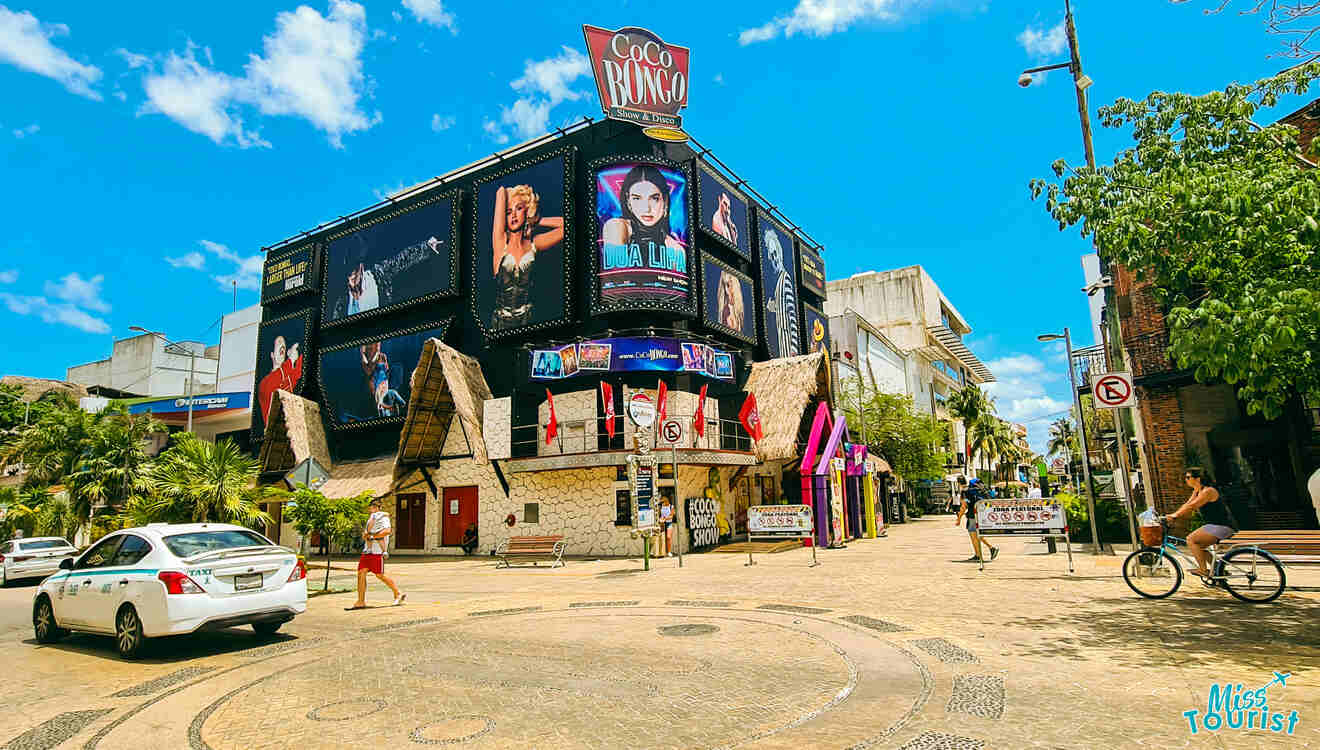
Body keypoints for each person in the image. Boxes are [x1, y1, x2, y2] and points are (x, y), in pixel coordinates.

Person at [491, 184, 564, 330]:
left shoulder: (534, 245)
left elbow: (567, 224)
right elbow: (500, 192)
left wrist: (537, 220)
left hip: (528, 322)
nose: (513, 215)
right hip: (500, 325)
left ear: (527, 211)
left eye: (519, 209)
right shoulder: (500, 243)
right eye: (508, 211)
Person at [1163, 467, 1236, 583]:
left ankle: (1203, 570)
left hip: (1223, 526)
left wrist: (1175, 516)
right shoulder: (1198, 490)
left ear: (1198, 478)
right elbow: (1187, 504)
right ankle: (1218, 569)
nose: (1185, 480)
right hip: (1215, 526)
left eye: (1188, 477)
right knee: (1199, 547)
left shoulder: (1208, 491)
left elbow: (1192, 506)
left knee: (1191, 540)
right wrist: (1173, 515)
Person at [350, 498, 405, 609]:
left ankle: (398, 592)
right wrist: (365, 535)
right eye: (372, 506)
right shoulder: (371, 518)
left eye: (375, 506)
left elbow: (387, 531)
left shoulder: (383, 517)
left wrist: (371, 536)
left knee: (380, 575)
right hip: (367, 551)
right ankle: (361, 601)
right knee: (361, 573)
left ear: (379, 508)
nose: (373, 508)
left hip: (377, 551)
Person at [257, 335, 302, 425]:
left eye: (284, 344)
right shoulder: (264, 383)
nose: (283, 345)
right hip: (274, 433)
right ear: (272, 355)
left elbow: (297, 372)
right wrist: (291, 360)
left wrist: (298, 351)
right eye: (279, 343)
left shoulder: (286, 377)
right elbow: (275, 381)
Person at [955, 478, 998, 562]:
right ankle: (978, 554)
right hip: (980, 514)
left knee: (974, 535)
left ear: (958, 483)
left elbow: (964, 506)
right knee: (976, 535)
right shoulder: (974, 490)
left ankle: (990, 548)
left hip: (972, 515)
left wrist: (959, 519)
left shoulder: (964, 491)